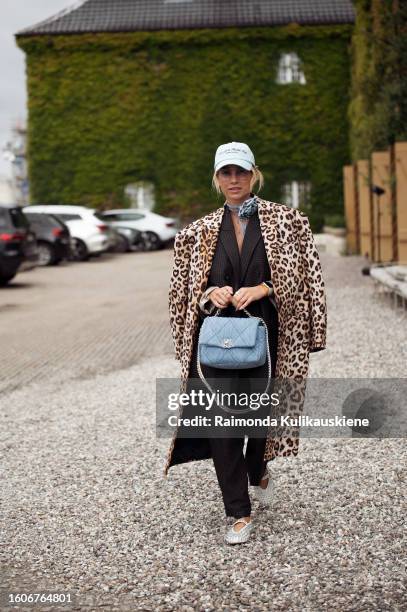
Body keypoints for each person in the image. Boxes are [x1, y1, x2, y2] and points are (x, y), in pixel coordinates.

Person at [165, 142, 327, 544]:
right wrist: (211, 294)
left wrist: (263, 288)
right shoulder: (197, 233)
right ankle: (237, 511)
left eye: (240, 172)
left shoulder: (288, 222)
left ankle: (258, 465)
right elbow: (183, 294)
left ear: (254, 173)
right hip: (216, 341)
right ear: (216, 178)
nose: (233, 180)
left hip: (269, 337)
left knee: (260, 419)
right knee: (222, 423)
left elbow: (305, 279)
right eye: (225, 173)